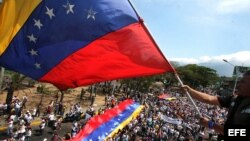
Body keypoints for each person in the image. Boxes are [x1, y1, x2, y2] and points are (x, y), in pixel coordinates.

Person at [181, 70, 250, 138]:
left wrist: (211, 124)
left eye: (243, 82)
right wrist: (190, 91)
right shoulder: (235, 99)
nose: (238, 84)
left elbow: (241, 133)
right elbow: (209, 99)